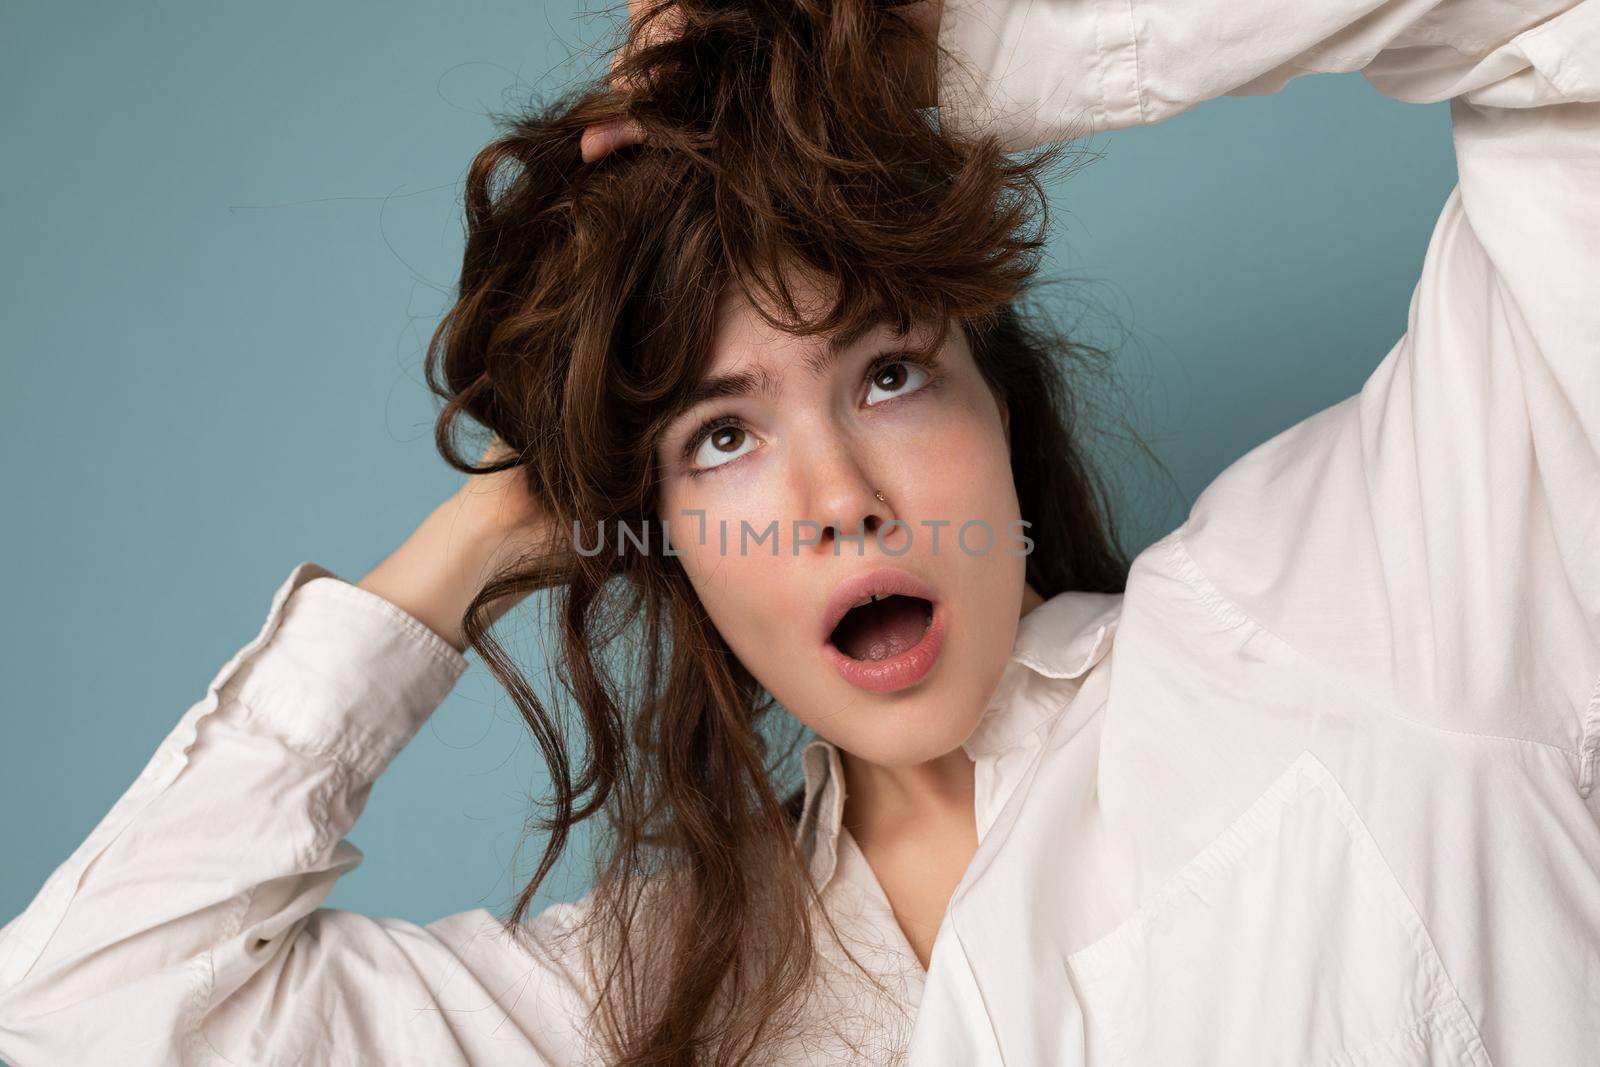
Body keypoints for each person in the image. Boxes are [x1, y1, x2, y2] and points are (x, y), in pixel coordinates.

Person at [1, 0, 1595, 1064]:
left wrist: (892, 62)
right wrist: (495, 519)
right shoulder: (644, 1001)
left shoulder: (1356, 622)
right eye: (722, 433)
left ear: (1000, 416)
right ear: (657, 530)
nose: (838, 498)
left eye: (889, 373)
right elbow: (81, 1019)